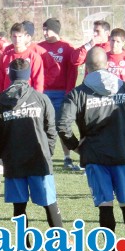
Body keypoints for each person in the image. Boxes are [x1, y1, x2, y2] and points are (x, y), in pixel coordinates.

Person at [57, 47, 125, 251]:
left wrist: (76, 147)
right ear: (107, 64)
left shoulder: (78, 93)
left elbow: (62, 125)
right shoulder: (124, 87)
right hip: (123, 154)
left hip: (96, 157)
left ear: (86, 68)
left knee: (105, 205)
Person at [0, 58, 65, 251]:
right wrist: (48, 153)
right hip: (39, 161)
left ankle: (25, 248)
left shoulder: (0, 102)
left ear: (10, 76)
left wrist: (4, 154)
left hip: (14, 162)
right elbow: (52, 130)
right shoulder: (41, 99)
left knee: (19, 205)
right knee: (49, 201)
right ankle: (61, 242)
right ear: (28, 75)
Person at [0, 22, 45, 185]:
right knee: (0, 135)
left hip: (27, 105)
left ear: (26, 37)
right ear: (10, 37)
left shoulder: (34, 57)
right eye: (14, 36)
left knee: (28, 137)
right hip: (7, 104)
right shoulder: (5, 55)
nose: (17, 40)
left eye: (20, 36)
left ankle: (32, 169)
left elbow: (38, 83)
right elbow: (0, 81)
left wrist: (37, 103)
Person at [38, 18, 81, 172]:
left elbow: (72, 71)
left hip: (62, 92)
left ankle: (67, 157)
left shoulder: (67, 47)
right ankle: (44, 156)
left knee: (62, 125)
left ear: (55, 30)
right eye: (43, 29)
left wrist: (69, 91)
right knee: (43, 126)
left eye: (46, 29)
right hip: (43, 93)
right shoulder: (39, 47)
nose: (44, 33)